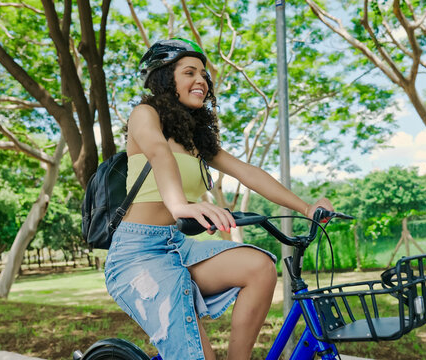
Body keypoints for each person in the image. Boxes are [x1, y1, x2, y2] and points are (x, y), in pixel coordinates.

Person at [104, 38, 334, 360]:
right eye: (189, 72)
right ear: (165, 79)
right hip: (138, 254)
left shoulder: (195, 140)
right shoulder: (144, 114)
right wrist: (180, 205)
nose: (201, 80)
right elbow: (159, 154)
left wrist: (307, 207)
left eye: (203, 74)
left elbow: (247, 173)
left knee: (260, 266)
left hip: (179, 245)